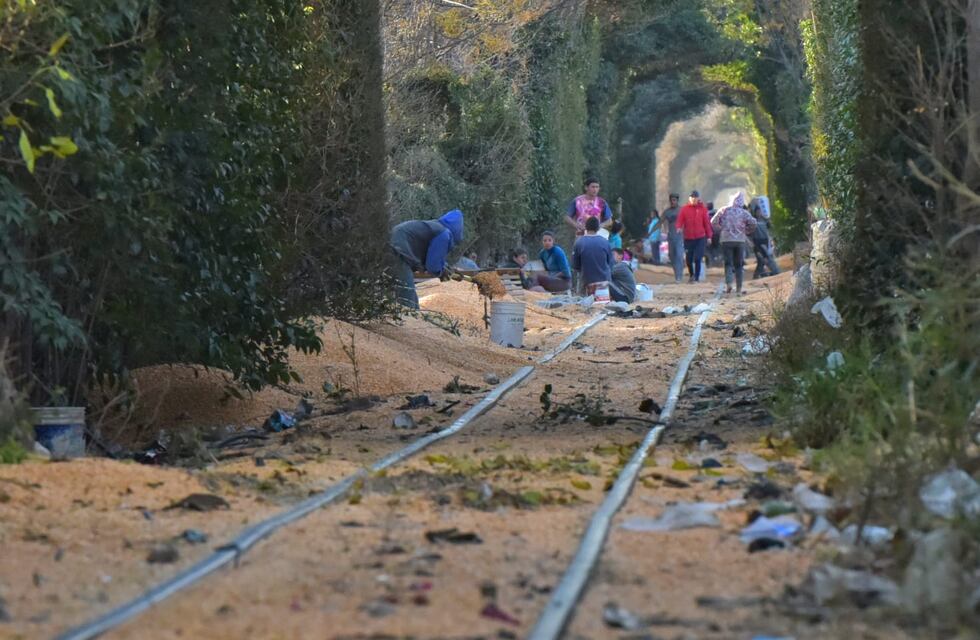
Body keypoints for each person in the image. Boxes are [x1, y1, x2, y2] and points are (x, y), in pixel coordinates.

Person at [389, 209, 464, 309]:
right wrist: (441, 272)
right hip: (397, 252)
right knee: (407, 299)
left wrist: (445, 267)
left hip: (393, 246)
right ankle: (410, 321)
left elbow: (431, 255)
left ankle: (412, 319)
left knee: (411, 300)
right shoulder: (444, 235)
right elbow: (433, 266)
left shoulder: (436, 228)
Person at [711, 191, 757, 295]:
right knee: (739, 265)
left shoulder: (724, 210)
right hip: (740, 241)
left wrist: (720, 229)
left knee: (728, 263)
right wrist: (747, 230)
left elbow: (713, 221)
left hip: (726, 240)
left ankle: (729, 284)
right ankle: (739, 289)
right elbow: (753, 222)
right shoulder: (744, 212)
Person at [676, 190, 712, 283]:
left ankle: (696, 277)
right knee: (688, 259)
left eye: (695, 197)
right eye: (692, 197)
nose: (693, 199)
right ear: (689, 198)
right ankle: (691, 275)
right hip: (688, 238)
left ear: (698, 198)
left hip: (700, 237)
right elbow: (680, 220)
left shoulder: (703, 209)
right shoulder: (684, 209)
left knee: (698, 258)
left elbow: (706, 223)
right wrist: (679, 227)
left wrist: (709, 236)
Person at [571, 216, 613, 295]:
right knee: (601, 304)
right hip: (603, 281)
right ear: (598, 228)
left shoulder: (579, 242)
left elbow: (575, 265)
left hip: (585, 281)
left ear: (586, 227)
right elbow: (610, 264)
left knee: (583, 304)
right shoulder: (605, 242)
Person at [750, 200, 781, 279]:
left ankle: (759, 274)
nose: (759, 213)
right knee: (761, 258)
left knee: (764, 258)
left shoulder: (764, 219)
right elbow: (750, 232)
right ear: (755, 212)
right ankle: (759, 274)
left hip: (765, 241)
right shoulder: (753, 220)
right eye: (757, 212)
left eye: (760, 211)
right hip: (757, 242)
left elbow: (770, 226)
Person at [662, 193, 684, 282]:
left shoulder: (682, 210)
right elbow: (662, 221)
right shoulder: (667, 211)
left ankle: (679, 276)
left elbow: (686, 221)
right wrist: (665, 229)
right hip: (671, 236)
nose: (672, 202)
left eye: (674, 200)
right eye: (671, 200)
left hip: (679, 236)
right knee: (672, 255)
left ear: (677, 201)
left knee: (679, 255)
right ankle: (676, 274)